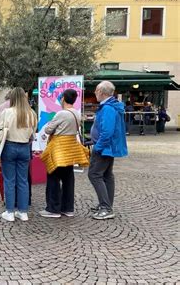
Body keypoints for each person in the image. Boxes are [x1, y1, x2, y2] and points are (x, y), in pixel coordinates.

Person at [40, 89, 89, 218]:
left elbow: (48, 129)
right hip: (70, 151)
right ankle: (68, 208)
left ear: (63, 99)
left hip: (59, 151)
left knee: (53, 178)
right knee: (68, 179)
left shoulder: (61, 114)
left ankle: (53, 209)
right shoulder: (76, 114)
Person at [89, 81, 128, 220]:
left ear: (101, 91)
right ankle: (106, 205)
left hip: (104, 148)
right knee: (106, 176)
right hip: (108, 148)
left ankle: (106, 207)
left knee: (94, 174)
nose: (94, 93)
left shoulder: (107, 108)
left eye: (96, 90)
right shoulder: (111, 106)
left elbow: (107, 132)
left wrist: (98, 147)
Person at [0, 87, 37, 222]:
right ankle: (23, 211)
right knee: (23, 181)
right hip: (25, 147)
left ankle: (9, 211)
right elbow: (33, 135)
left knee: (9, 180)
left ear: (12, 98)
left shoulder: (6, 112)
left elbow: (0, 132)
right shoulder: (31, 113)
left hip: (9, 146)